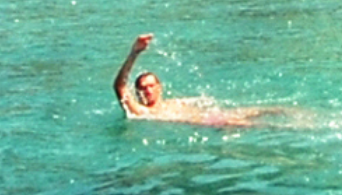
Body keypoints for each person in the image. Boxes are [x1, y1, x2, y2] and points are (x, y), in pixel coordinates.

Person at [112, 33, 267, 127]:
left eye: (151, 86)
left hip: (210, 115)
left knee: (257, 110)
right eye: (143, 88)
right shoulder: (142, 112)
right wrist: (134, 53)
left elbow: (202, 101)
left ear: (160, 87)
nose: (148, 90)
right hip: (203, 124)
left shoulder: (174, 103)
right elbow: (119, 86)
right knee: (249, 125)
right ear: (138, 93)